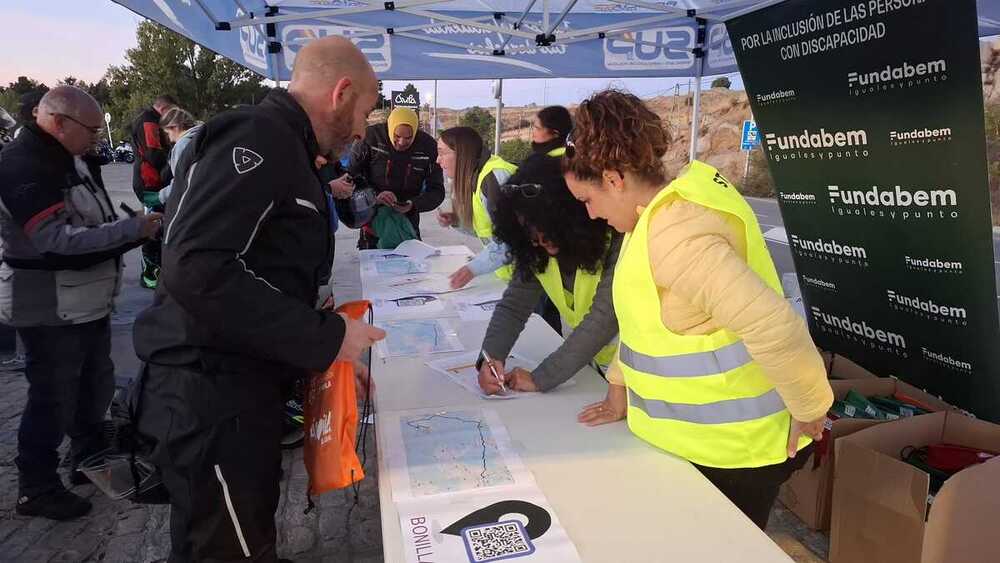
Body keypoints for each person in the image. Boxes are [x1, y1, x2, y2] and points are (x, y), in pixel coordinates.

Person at [133, 36, 385, 562]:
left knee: (245, 528)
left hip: (241, 387)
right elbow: (196, 267)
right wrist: (326, 336)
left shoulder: (290, 149)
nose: (363, 128)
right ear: (341, 93)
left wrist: (323, 359)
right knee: (223, 546)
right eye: (364, 110)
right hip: (209, 396)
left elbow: (270, 273)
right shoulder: (258, 137)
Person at [563, 90, 834, 530]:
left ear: (613, 178)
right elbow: (644, 324)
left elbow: (774, 326)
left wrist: (811, 410)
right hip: (699, 446)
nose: (590, 214)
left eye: (586, 200)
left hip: (737, 453)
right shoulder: (651, 216)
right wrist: (619, 389)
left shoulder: (677, 232)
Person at [0, 86, 162, 520]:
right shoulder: (22, 165)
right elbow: (53, 241)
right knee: (52, 396)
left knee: (94, 384)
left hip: (83, 302)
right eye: (90, 130)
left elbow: (89, 222)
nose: (96, 138)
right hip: (50, 307)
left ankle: (88, 460)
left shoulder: (70, 158)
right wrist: (131, 232)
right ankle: (36, 486)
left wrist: (126, 227)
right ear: (57, 122)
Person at [476, 153, 621, 395]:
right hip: (596, 368)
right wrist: (490, 358)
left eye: (548, 232)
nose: (542, 243)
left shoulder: (616, 240)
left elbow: (603, 318)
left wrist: (541, 378)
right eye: (530, 235)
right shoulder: (535, 248)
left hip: (634, 373)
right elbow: (514, 305)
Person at [344, 106, 445, 248]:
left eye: (408, 138)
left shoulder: (428, 146)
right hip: (373, 223)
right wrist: (374, 197)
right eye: (397, 136)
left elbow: (437, 191)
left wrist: (412, 204)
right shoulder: (370, 138)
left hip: (407, 224)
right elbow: (349, 179)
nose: (402, 142)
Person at [435, 126, 517, 288]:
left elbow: (511, 238)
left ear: (461, 153)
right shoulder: (475, 178)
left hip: (534, 279)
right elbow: (486, 230)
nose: (438, 160)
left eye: (442, 152)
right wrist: (456, 220)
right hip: (508, 276)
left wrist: (473, 269)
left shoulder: (495, 178)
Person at [130, 94, 177, 289]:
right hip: (149, 183)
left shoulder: (150, 120)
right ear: (164, 109)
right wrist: (173, 157)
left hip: (152, 182)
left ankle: (156, 270)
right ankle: (150, 274)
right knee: (153, 225)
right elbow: (153, 154)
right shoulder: (149, 121)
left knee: (158, 223)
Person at [157, 107, 203, 205]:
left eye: (167, 133)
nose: (170, 139)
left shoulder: (182, 145)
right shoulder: (201, 136)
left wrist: (160, 196)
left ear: (175, 127)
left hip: (191, 201)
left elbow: (180, 181)